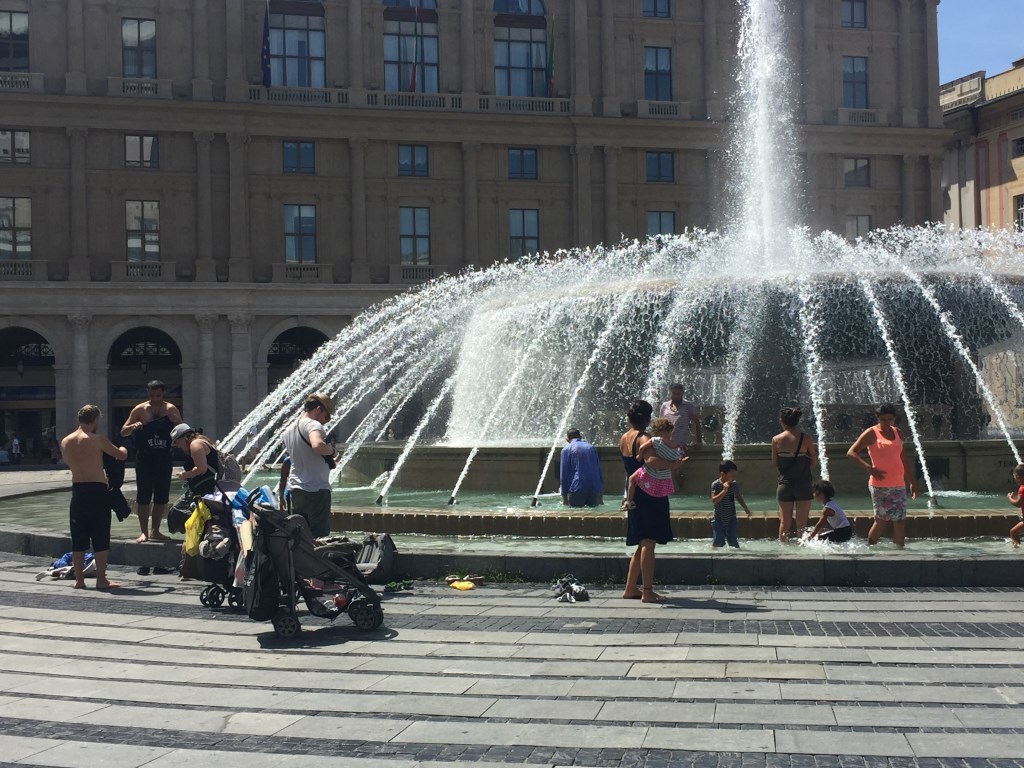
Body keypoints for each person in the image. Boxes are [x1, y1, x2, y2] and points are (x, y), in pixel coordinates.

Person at [620, 400, 686, 603]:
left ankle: (631, 588)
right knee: (649, 541)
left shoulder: (624, 437)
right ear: (647, 419)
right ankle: (647, 591)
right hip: (649, 492)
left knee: (641, 543)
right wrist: (674, 465)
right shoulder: (644, 438)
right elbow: (651, 461)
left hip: (635, 490)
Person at [60, 405, 128, 589]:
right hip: (97, 490)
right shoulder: (97, 439)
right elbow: (120, 455)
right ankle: (101, 579)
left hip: (78, 491)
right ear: (95, 420)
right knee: (100, 536)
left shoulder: (65, 441)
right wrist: (124, 448)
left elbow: (69, 462)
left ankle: (79, 580)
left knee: (78, 537)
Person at [846, 403, 917, 548]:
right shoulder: (871, 433)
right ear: (878, 418)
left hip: (898, 483)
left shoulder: (897, 432)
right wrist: (868, 467)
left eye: (889, 419)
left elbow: (902, 457)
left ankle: (899, 552)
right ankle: (870, 548)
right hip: (880, 484)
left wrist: (911, 481)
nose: (886, 423)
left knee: (900, 521)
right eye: (883, 419)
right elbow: (851, 452)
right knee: (881, 520)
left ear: (894, 419)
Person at [120, 380, 182, 543]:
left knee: (162, 497)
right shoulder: (140, 409)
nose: (155, 398)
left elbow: (182, 431)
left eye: (158, 395)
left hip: (164, 457)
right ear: (148, 393)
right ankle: (143, 532)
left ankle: (155, 531)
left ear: (163, 394)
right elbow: (123, 432)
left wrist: (177, 421)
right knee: (143, 496)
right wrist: (134, 425)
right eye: (152, 395)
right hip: (145, 457)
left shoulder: (170, 409)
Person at [282, 393, 337, 537]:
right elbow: (317, 445)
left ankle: (299, 560)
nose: (324, 421)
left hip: (296, 489)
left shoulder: (289, 430)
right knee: (319, 536)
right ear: (318, 409)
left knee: (299, 537)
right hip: (316, 489)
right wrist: (332, 451)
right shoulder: (313, 424)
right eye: (325, 416)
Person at [771, 406, 818, 542]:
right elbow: (813, 461)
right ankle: (802, 553)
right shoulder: (806, 438)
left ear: (782, 421)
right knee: (802, 525)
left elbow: (775, 462)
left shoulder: (776, 440)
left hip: (785, 484)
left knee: (784, 523)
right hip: (803, 483)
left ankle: (784, 552)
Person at [622, 417, 684, 510]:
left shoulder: (656, 440)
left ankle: (629, 501)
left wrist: (639, 455)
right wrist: (676, 465)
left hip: (650, 472)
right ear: (670, 430)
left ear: (656, 430)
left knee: (631, 479)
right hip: (664, 476)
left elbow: (643, 448)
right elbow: (677, 458)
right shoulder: (675, 446)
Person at [659, 383, 703, 491]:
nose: (676, 396)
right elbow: (659, 425)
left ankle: (681, 490)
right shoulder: (664, 406)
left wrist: (699, 441)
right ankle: (664, 491)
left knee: (678, 469)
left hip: (680, 445)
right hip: (664, 444)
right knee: (662, 468)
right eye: (674, 393)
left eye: (679, 394)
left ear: (682, 393)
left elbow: (697, 423)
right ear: (670, 392)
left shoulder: (688, 406)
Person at [170, 423, 220, 497]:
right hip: (206, 490)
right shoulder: (201, 441)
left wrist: (184, 475)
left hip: (206, 491)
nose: (177, 446)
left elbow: (201, 469)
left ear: (184, 438)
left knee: (178, 508)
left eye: (177, 442)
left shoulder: (195, 445)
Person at [710, 460, 751, 548]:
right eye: (732, 475)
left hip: (731, 519)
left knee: (734, 542)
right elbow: (714, 500)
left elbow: (738, 496)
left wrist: (745, 508)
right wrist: (724, 490)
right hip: (719, 519)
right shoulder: (715, 485)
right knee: (717, 542)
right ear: (723, 474)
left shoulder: (733, 484)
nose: (734, 477)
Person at [559, 429, 604, 508]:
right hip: (594, 487)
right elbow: (598, 470)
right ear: (580, 437)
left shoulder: (566, 449)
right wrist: (600, 495)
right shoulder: (591, 447)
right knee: (594, 514)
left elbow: (563, 474)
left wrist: (564, 498)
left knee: (575, 515)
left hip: (577, 486)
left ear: (567, 439)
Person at [1006, 464, 1024, 547]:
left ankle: (1018, 555)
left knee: (1013, 532)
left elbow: (1018, 503)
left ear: (1019, 477)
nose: (1015, 480)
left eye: (1015, 477)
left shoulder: (1022, 488)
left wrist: (1010, 498)